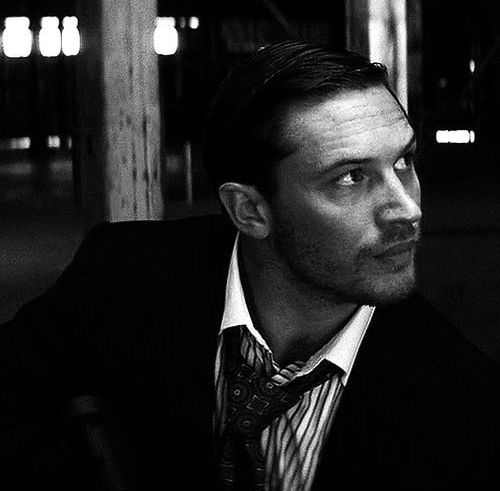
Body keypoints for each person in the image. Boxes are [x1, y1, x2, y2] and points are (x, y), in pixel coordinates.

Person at [0, 40, 499, 491]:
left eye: (403, 162)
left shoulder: (462, 399)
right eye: (350, 177)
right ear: (250, 210)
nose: (408, 209)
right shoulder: (124, 274)